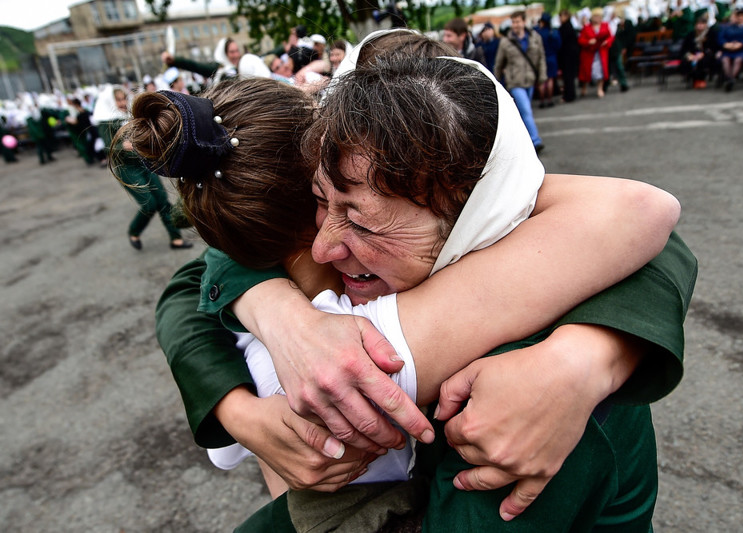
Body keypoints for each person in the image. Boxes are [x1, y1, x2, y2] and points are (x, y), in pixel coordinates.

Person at [151, 31, 695, 530]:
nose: (321, 247)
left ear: (472, 216)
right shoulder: (519, 238)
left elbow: (648, 221)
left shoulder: (521, 380)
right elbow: (196, 276)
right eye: (320, 203)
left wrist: (583, 358)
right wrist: (274, 333)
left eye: (362, 220)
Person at [95, 85, 192, 251]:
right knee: (149, 204)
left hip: (143, 163)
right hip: (126, 168)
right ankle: (134, 231)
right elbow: (108, 147)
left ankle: (175, 238)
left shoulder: (129, 115)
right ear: (111, 101)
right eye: (118, 100)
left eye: (123, 98)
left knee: (162, 201)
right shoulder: (107, 121)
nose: (122, 102)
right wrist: (121, 146)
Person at [494, 10, 548, 151]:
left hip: (530, 79)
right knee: (526, 110)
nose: (515, 25)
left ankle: (522, 141)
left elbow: (541, 58)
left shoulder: (535, 38)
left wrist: (542, 75)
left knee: (525, 112)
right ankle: (535, 140)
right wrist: (496, 82)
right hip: (515, 81)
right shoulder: (505, 42)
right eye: (513, 22)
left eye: (518, 21)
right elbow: (499, 64)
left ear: (524, 22)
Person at [578, 7, 614, 98]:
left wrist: (607, 42)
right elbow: (580, 40)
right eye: (596, 16)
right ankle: (584, 87)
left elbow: (610, 37)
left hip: (601, 52)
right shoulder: (586, 28)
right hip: (589, 54)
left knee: (600, 71)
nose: (597, 18)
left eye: (599, 16)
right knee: (586, 72)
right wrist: (588, 42)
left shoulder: (605, 25)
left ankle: (600, 88)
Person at [681, 15, 720, 88]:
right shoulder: (691, 35)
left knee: (703, 61)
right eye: (698, 24)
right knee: (686, 61)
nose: (700, 26)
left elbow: (713, 47)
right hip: (692, 54)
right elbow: (685, 48)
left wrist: (703, 54)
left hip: (706, 54)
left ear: (706, 25)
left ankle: (701, 79)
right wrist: (689, 55)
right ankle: (692, 79)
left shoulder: (711, 34)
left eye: (702, 24)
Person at [534, 13, 561, 107]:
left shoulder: (537, 32)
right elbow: (558, 45)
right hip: (552, 57)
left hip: (541, 58)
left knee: (541, 80)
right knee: (550, 80)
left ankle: (542, 101)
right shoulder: (553, 32)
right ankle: (550, 99)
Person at [558, 9, 581, 102]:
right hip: (570, 56)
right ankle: (570, 94)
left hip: (567, 56)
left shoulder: (565, 28)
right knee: (569, 77)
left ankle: (569, 95)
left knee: (568, 77)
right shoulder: (569, 26)